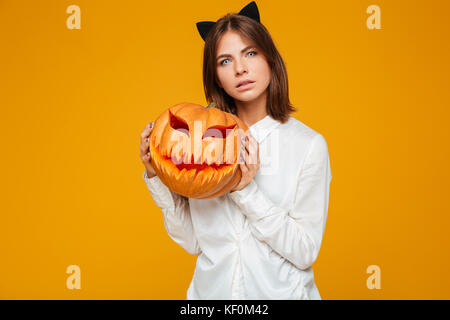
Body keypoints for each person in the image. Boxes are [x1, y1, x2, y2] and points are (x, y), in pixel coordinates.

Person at [139, 1, 332, 300]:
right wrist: (157, 175)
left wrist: (244, 190)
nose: (240, 68)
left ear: (270, 59)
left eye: (250, 53)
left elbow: (304, 250)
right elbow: (192, 241)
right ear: (215, 74)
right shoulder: (199, 142)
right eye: (225, 61)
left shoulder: (307, 145)